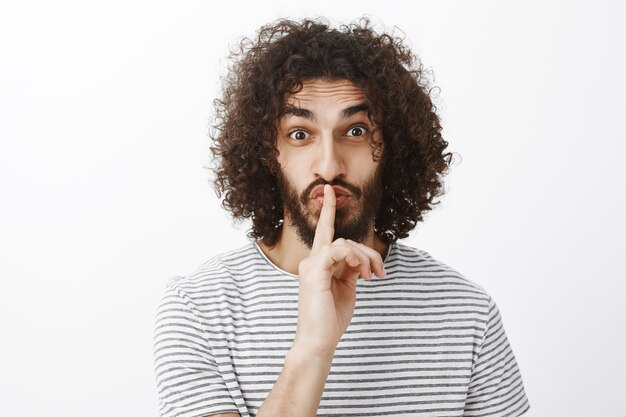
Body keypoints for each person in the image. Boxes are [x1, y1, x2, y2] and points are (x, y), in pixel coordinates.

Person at [153, 17, 530, 417]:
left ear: (393, 147)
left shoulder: (466, 311)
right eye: (300, 133)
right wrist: (313, 347)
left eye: (355, 131)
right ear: (267, 153)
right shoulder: (199, 308)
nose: (329, 167)